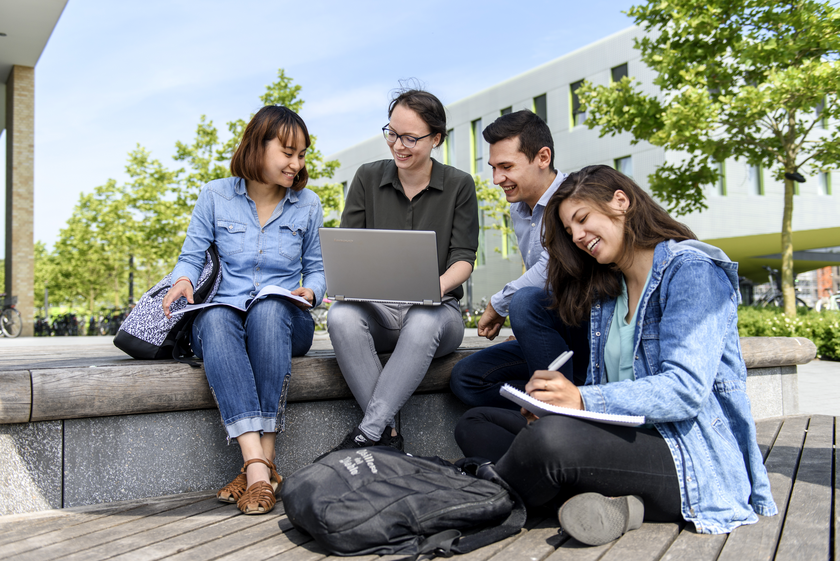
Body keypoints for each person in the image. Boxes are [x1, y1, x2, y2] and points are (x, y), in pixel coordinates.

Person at [454, 165, 776, 546]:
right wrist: (557, 407)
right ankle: (611, 503)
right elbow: (610, 387)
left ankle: (475, 499)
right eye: (570, 231)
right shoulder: (609, 290)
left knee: (550, 442)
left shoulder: (692, 271)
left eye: (582, 219)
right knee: (476, 422)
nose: (577, 237)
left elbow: (686, 390)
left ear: (620, 202)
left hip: (687, 455)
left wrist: (581, 400)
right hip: (621, 441)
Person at [162, 106, 325, 515]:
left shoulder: (308, 204)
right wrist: (182, 280)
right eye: (288, 152)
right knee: (215, 316)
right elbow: (191, 256)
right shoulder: (214, 195)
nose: (296, 163)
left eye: (302, 154)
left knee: (269, 309)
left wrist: (312, 291)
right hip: (225, 322)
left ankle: (256, 469)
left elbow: (319, 269)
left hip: (285, 322)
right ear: (257, 145)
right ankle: (260, 468)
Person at [323, 88, 479, 454]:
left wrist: (430, 288)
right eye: (392, 133)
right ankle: (387, 437)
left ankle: (369, 433)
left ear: (436, 138)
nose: (398, 145)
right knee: (341, 316)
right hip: (379, 312)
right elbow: (348, 247)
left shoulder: (459, 185)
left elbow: (463, 260)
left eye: (411, 138)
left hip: (439, 315)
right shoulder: (366, 177)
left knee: (424, 319)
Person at [449, 110, 588, 410]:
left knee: (523, 301)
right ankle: (543, 408)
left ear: (543, 157)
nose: (498, 179)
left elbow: (555, 268)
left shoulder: (575, 198)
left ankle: (563, 414)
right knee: (466, 378)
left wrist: (499, 303)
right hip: (557, 330)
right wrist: (533, 333)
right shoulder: (519, 209)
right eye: (493, 167)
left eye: (506, 167)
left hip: (589, 332)